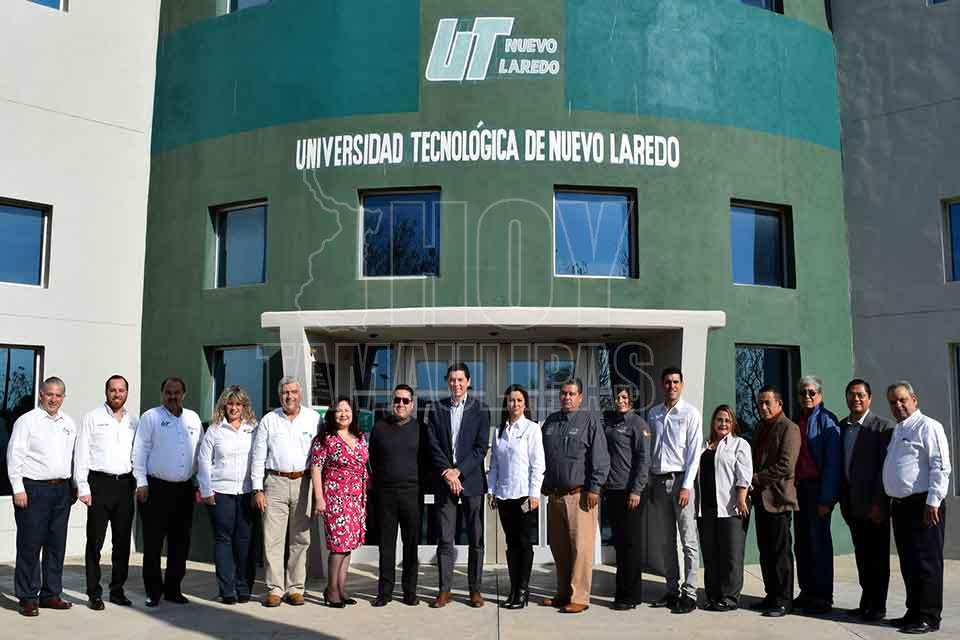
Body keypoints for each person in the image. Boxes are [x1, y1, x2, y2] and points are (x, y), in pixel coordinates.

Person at [883, 381, 951, 635]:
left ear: (914, 399)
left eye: (902, 400)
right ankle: (913, 611)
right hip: (901, 506)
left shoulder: (928, 426)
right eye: (892, 402)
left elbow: (940, 465)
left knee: (927, 562)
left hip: (924, 505)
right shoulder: (898, 430)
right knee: (909, 562)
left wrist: (934, 500)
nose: (898, 405)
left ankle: (928, 616)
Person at [7, 377, 77, 617]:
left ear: (63, 397)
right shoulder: (27, 421)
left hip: (61, 490)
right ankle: (28, 597)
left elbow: (72, 457)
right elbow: (14, 455)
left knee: (56, 545)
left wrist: (74, 485)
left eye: (58, 395)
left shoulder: (69, 423)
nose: (53, 399)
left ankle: (50, 594)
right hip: (34, 490)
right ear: (41, 395)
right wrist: (18, 488)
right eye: (49, 394)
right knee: (30, 545)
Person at [540, 378, 610, 614]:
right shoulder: (551, 422)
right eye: (563, 393)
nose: (566, 397)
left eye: (571, 394)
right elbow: (543, 458)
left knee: (581, 549)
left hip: (580, 496)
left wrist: (595, 488)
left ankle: (579, 597)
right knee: (560, 549)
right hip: (555, 497)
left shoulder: (589, 421)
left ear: (580, 397)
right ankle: (563, 593)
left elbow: (600, 458)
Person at [132, 377, 202, 607]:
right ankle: (153, 591)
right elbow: (140, 451)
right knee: (153, 543)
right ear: (162, 394)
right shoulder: (151, 417)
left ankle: (173, 589)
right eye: (168, 392)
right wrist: (141, 483)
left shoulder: (193, 418)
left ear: (184, 394)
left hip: (184, 489)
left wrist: (201, 484)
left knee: (180, 543)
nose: (172, 397)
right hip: (155, 489)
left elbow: (200, 453)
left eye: (177, 392)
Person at [250, 376, 320, 607]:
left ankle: (295, 588)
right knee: (273, 539)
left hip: (304, 482)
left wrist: (319, 491)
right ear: (279, 395)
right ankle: (275, 589)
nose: (289, 396)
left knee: (301, 538)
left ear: (300, 394)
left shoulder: (313, 419)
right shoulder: (269, 420)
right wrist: (257, 489)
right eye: (285, 392)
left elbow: (321, 456)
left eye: (293, 392)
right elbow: (258, 456)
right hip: (275, 482)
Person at [425, 362, 490, 608]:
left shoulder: (480, 409)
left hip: (471, 481)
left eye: (461, 379)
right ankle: (444, 591)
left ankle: (475, 590)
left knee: (476, 538)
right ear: (447, 381)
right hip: (444, 482)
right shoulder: (436, 408)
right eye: (452, 379)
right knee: (445, 538)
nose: (456, 384)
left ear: (468, 382)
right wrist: (447, 473)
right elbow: (432, 444)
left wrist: (459, 472)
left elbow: (480, 448)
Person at [74, 375, 138, 610]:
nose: (117, 394)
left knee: (122, 543)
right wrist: (83, 486)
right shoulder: (92, 418)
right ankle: (94, 593)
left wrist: (139, 483)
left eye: (121, 390)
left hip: (125, 486)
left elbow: (138, 455)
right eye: (113, 390)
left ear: (127, 393)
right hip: (99, 485)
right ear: (106, 392)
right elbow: (81, 453)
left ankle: (117, 590)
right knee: (95, 542)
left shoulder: (134, 422)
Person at [646, 367, 702, 614]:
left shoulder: (690, 413)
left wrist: (687, 486)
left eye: (676, 382)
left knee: (688, 540)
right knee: (665, 541)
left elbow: (694, 454)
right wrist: (649, 482)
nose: (672, 386)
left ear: (682, 385)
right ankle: (671, 590)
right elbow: (651, 450)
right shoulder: (654, 414)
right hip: (658, 482)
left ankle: (690, 593)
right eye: (668, 382)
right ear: (662, 385)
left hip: (681, 482)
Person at [197, 385, 258, 605]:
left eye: (238, 404)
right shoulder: (214, 429)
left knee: (244, 540)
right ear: (224, 406)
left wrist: (258, 489)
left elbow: (259, 458)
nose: (234, 408)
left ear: (244, 406)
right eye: (230, 404)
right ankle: (227, 590)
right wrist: (206, 490)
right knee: (223, 540)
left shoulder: (253, 429)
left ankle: (244, 587)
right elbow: (203, 461)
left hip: (246, 492)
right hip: (220, 492)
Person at [839, 378, 892, 622]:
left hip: (874, 506)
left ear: (869, 398)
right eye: (851, 394)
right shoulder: (842, 426)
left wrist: (879, 503)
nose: (856, 399)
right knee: (862, 557)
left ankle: (878, 607)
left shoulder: (882, 427)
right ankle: (866, 603)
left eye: (860, 395)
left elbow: (884, 469)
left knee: (877, 559)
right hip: (852, 505)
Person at [487, 384, 545, 609]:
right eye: (511, 400)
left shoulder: (532, 429)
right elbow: (494, 465)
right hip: (504, 496)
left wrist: (534, 493)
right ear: (506, 403)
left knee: (524, 543)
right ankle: (513, 589)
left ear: (525, 404)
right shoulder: (499, 431)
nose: (515, 404)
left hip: (524, 496)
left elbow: (538, 465)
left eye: (519, 400)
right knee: (511, 544)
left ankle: (522, 590)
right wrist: (491, 491)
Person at [311, 396, 369, 608]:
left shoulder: (360, 437)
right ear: (332, 414)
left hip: (356, 499)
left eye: (347, 410)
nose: (343, 414)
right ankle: (331, 590)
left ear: (353, 414)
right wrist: (319, 498)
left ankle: (341, 588)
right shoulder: (325, 439)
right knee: (338, 545)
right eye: (339, 410)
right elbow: (316, 468)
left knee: (348, 545)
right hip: (335, 497)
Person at [749, 385, 800, 618]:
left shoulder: (789, 428)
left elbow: (786, 465)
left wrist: (757, 478)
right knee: (766, 551)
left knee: (780, 553)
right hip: (760, 499)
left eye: (767, 402)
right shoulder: (760, 427)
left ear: (779, 404)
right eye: (760, 403)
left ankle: (784, 600)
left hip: (778, 499)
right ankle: (771, 595)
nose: (763, 407)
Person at [792, 375, 842, 615]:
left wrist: (827, 499)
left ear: (820, 395)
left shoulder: (827, 420)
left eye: (812, 392)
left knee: (818, 544)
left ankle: (822, 597)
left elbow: (833, 463)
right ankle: (807, 591)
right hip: (799, 490)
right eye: (803, 392)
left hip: (818, 489)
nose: (807, 396)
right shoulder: (797, 420)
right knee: (802, 544)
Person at [369, 384, 423, 607]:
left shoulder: (421, 429)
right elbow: (371, 458)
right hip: (386, 494)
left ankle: (410, 592)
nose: (401, 404)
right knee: (386, 545)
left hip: (412, 493)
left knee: (411, 545)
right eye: (397, 400)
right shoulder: (380, 427)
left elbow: (426, 461)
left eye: (405, 401)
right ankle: (385, 592)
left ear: (412, 404)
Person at [696, 405, 752, 612]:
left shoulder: (739, 444)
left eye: (727, 420)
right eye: (719, 419)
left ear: (733, 423)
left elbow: (744, 473)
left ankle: (729, 598)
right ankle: (713, 595)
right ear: (713, 422)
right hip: (706, 508)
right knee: (711, 555)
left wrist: (741, 498)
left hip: (731, 508)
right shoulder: (704, 446)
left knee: (731, 555)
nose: (723, 424)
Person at [602, 384, 651, 611]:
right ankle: (623, 592)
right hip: (612, 490)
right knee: (620, 544)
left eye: (624, 397)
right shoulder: (611, 423)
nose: (620, 400)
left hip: (630, 492)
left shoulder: (638, 425)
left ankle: (629, 596)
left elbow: (644, 460)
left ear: (631, 399)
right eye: (617, 397)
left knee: (630, 545)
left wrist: (636, 490)